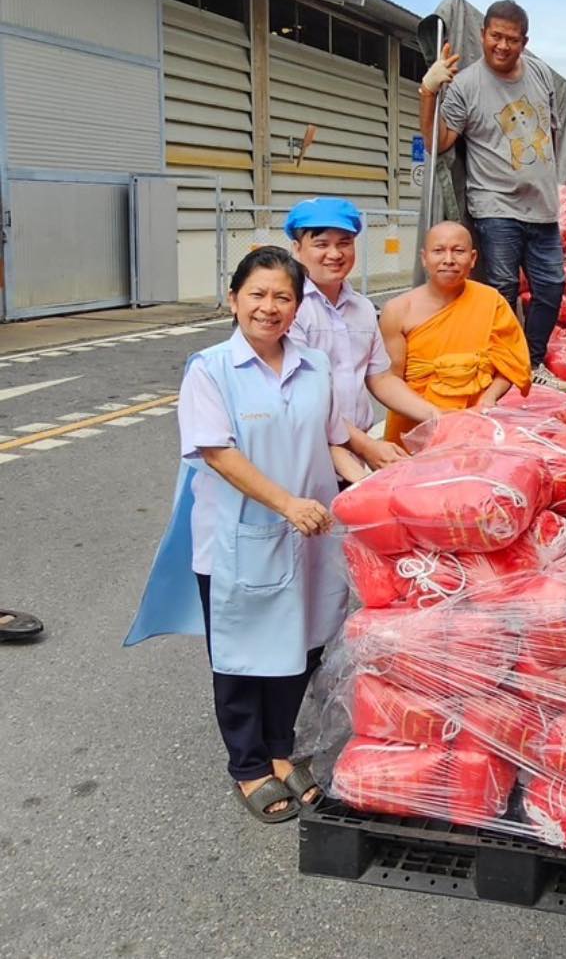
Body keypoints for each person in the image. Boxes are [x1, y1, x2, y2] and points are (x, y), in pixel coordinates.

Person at [126, 248, 362, 823]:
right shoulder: (209, 369)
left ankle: (281, 750)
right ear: (234, 300)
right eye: (257, 294)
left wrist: (381, 490)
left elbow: (335, 442)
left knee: (301, 644)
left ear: (296, 305)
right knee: (239, 656)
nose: (269, 307)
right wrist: (285, 503)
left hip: (310, 535)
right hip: (240, 538)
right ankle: (248, 764)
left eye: (283, 296)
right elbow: (217, 453)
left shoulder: (314, 366)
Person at [418, 0, 566, 388]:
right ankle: (502, 366)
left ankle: (530, 361)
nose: (502, 46)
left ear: (525, 42)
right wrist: (427, 92)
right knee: (501, 289)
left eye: (512, 39)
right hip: (494, 203)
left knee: (551, 287)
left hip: (543, 208)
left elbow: (549, 134)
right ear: (483, 34)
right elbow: (440, 142)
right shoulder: (466, 84)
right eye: (495, 36)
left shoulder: (539, 74)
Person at [285, 196, 416, 475]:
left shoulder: (363, 308)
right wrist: (366, 446)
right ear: (297, 249)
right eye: (321, 244)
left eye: (344, 243)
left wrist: (438, 417)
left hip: (353, 457)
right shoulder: (289, 308)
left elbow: (379, 378)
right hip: (305, 456)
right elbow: (303, 398)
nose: (334, 254)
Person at [379, 221, 533, 445]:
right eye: (439, 251)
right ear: (424, 258)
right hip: (415, 424)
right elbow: (391, 380)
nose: (448, 259)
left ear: (472, 259)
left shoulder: (492, 302)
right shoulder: (399, 310)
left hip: (475, 423)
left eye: (458, 251)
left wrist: (488, 399)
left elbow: (510, 363)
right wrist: (435, 415)